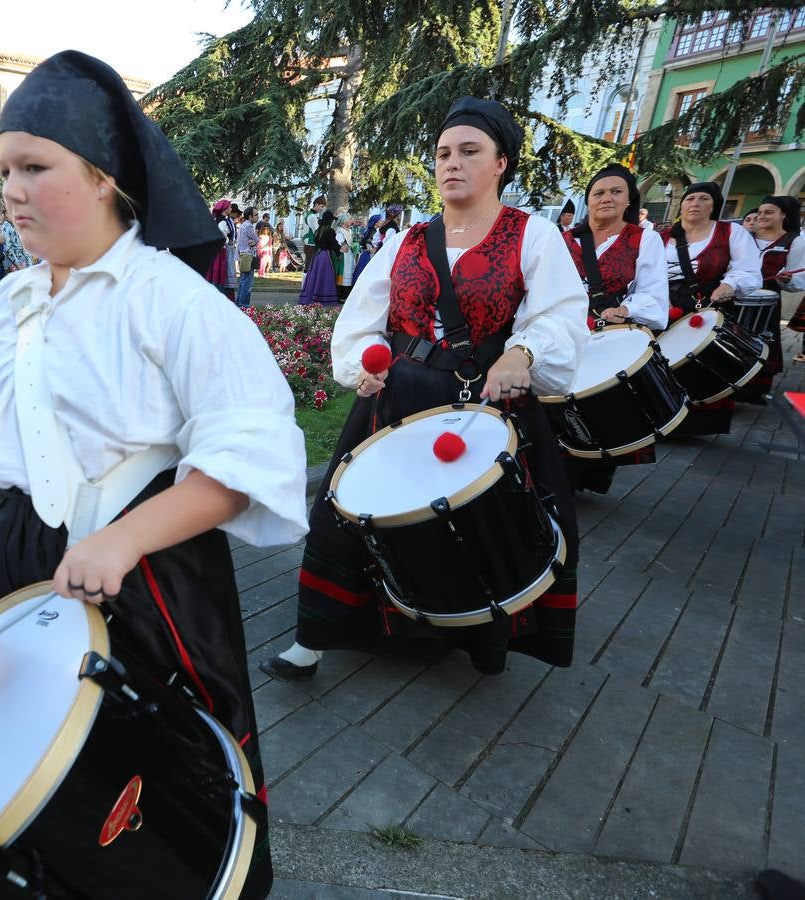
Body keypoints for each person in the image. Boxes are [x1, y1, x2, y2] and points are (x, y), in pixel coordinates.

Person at [0, 51, 307, 900]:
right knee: (2, 758)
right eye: (5, 168)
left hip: (139, 575)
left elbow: (245, 457)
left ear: (106, 179)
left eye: (35, 167)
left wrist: (125, 537)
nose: (10, 189)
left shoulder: (177, 304)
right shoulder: (0, 305)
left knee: (140, 774)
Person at [263, 96, 586, 683]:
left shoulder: (533, 236)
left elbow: (562, 313)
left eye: (469, 151)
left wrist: (524, 351)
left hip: (487, 406)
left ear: (502, 164)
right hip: (397, 400)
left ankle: (472, 632)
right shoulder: (406, 240)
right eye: (442, 153)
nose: (451, 163)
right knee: (352, 510)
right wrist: (366, 362)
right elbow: (361, 316)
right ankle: (316, 635)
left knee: (478, 521)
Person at [560, 163, 669, 494]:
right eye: (598, 192)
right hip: (562, 335)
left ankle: (583, 475)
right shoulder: (565, 239)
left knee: (596, 408)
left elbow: (653, 296)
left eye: (615, 192)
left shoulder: (643, 239)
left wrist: (626, 309)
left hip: (606, 339)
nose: (606, 198)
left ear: (629, 200)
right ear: (588, 200)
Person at [663, 182, 761, 434]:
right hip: (666, 305)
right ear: (681, 204)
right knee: (663, 363)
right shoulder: (663, 236)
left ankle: (695, 423)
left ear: (714, 205)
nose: (695, 203)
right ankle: (662, 417)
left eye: (703, 198)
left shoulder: (731, 233)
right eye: (690, 198)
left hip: (709, 303)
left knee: (701, 365)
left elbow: (748, 270)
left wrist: (730, 285)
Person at [746, 196, 805, 393]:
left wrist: (786, 279)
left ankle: (751, 389)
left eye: (768, 212)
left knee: (760, 342)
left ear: (783, 215)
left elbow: (798, 281)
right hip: (733, 299)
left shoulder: (794, 241)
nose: (761, 216)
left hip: (767, 304)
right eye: (760, 212)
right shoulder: (745, 236)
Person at [296, 209, 339, 305]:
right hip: (325, 256)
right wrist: (339, 251)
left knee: (315, 276)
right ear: (330, 221)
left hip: (317, 256)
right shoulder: (329, 231)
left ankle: (312, 296)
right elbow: (333, 244)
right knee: (324, 276)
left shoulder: (318, 230)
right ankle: (322, 298)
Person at [205, 199, 238, 299]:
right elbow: (222, 237)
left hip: (221, 250)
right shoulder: (222, 221)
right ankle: (220, 295)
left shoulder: (222, 219)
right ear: (225, 209)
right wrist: (229, 242)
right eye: (229, 207)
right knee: (221, 274)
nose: (231, 208)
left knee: (223, 273)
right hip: (222, 251)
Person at [236, 206, 259, 307]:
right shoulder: (248, 226)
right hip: (248, 256)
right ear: (250, 216)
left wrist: (254, 242)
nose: (258, 217)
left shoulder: (243, 225)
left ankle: (239, 304)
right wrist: (255, 242)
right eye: (256, 215)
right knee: (247, 284)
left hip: (243, 255)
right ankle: (244, 306)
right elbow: (257, 239)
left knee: (242, 282)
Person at [334, 211, 356, 300]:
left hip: (349, 255)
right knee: (343, 273)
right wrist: (343, 246)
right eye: (349, 219)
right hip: (343, 256)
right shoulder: (339, 231)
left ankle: (345, 294)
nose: (351, 220)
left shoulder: (349, 230)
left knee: (348, 273)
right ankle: (340, 295)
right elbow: (339, 243)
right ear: (344, 221)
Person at [303, 196, 326, 268]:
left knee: (310, 266)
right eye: (321, 206)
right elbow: (317, 231)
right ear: (316, 204)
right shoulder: (312, 216)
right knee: (309, 267)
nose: (322, 209)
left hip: (310, 243)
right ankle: (307, 279)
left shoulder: (311, 215)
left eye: (323, 207)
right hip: (311, 243)